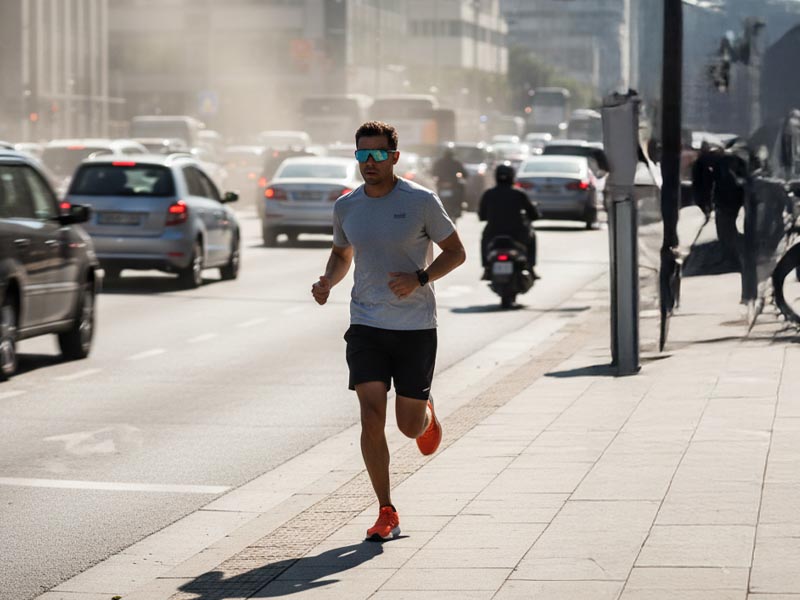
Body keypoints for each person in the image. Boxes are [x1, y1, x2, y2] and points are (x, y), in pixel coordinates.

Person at [311, 120, 466, 542]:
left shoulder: (420, 201)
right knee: (370, 414)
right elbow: (341, 255)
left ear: (395, 157)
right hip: (366, 324)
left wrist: (420, 277)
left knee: (407, 426)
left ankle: (426, 414)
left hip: (415, 327)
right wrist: (328, 281)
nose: (370, 162)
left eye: (378, 154)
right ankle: (386, 509)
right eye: (363, 154)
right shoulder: (347, 206)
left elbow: (457, 252)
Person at [478, 163, 540, 279]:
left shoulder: (489, 194)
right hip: (518, 234)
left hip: (493, 233)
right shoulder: (519, 193)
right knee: (532, 237)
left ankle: (486, 267)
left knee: (484, 240)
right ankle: (531, 266)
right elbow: (533, 214)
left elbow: (482, 216)